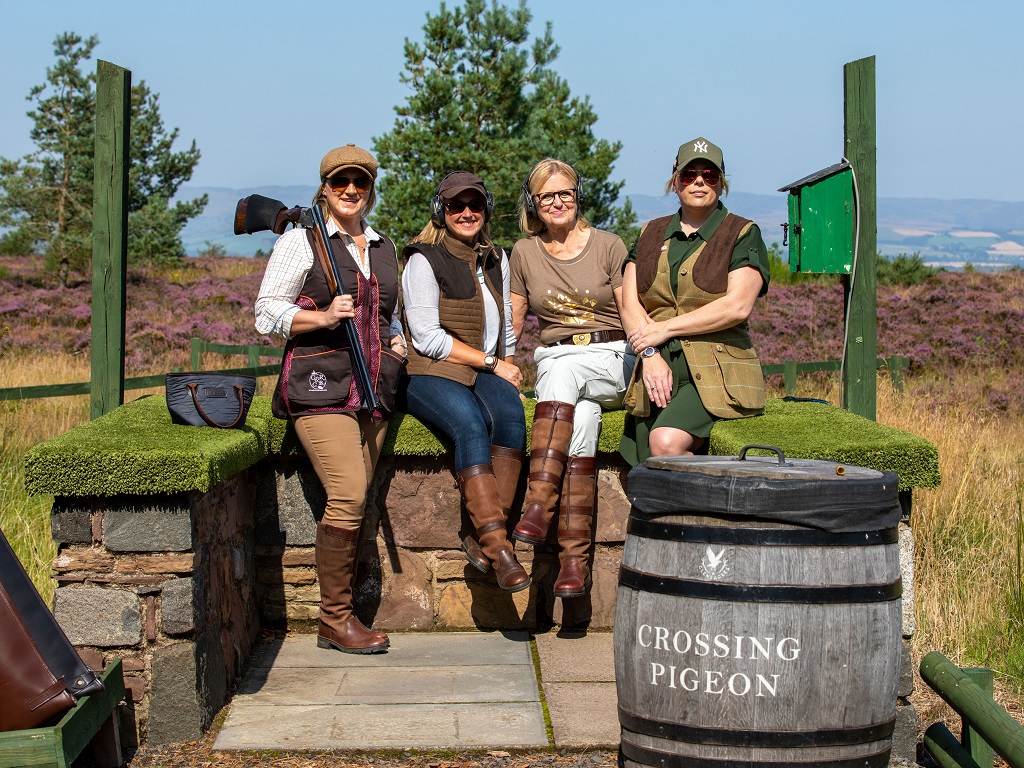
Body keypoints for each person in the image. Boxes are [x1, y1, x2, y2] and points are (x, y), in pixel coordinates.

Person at [255, 144, 406, 654]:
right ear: (324, 186)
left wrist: (399, 346)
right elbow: (264, 314)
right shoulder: (301, 242)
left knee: (357, 498)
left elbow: (392, 317)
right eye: (340, 181)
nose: (350, 190)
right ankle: (334, 619)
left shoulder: (384, 247)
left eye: (359, 183)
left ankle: (342, 618)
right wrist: (322, 317)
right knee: (348, 491)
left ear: (369, 189)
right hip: (318, 387)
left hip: (373, 390)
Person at [401, 171, 531, 592]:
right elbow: (426, 337)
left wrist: (507, 369)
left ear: (486, 209)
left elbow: (507, 327)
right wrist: (494, 364)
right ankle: (501, 548)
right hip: (430, 370)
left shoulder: (495, 257)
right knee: (469, 425)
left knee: (511, 417)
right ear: (441, 211)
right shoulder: (424, 259)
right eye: (456, 205)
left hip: (482, 368)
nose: (467, 213)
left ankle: (482, 539)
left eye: (475, 205)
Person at [508, 159, 631, 599]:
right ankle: (573, 563)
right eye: (546, 196)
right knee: (581, 418)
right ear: (534, 204)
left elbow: (631, 310)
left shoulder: (609, 245)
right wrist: (500, 361)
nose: (557, 202)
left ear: (578, 196)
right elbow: (514, 321)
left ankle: (538, 503)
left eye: (564, 193)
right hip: (565, 372)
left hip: (613, 357)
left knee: (559, 366)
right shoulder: (523, 252)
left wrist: (650, 355)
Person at [619, 136, 770, 465]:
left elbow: (737, 306)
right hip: (655, 366)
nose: (699, 181)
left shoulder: (743, 233)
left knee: (665, 442)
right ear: (675, 182)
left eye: (709, 175)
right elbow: (629, 304)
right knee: (642, 463)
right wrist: (649, 353)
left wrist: (664, 330)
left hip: (718, 373)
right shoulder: (648, 232)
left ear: (722, 183)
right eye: (689, 175)